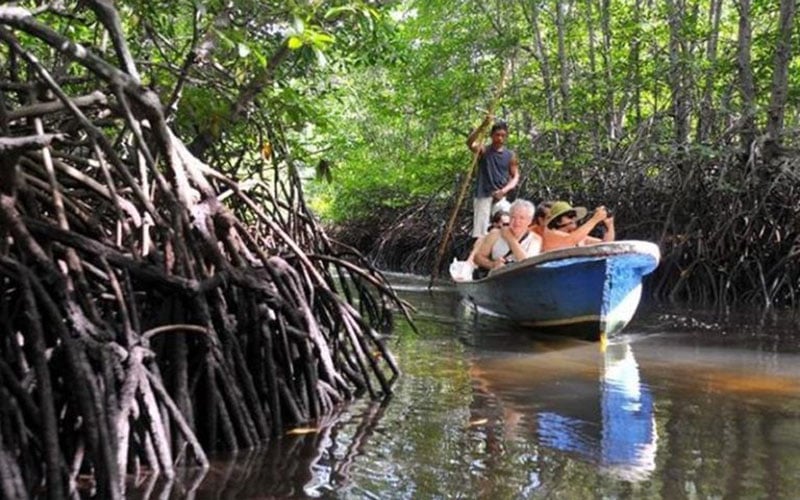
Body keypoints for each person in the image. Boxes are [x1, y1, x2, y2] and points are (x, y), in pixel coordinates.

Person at [466, 119, 520, 238]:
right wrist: (482, 126)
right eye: (497, 135)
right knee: (481, 233)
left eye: (503, 135)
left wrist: (504, 191)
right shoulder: (484, 150)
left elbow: (515, 176)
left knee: (508, 223)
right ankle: (479, 254)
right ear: (491, 135)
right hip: (483, 196)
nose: (500, 138)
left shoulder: (510, 155)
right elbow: (470, 143)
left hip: (500, 197)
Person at [473, 200, 541, 273]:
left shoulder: (535, 239)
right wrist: (493, 264)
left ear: (529, 221)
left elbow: (528, 264)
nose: (516, 222)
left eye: (522, 218)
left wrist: (510, 239)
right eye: (513, 217)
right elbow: (477, 258)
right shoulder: (495, 234)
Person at [541, 200, 615, 252]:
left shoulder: (578, 237)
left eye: (574, 215)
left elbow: (605, 244)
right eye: (570, 216)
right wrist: (594, 219)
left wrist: (609, 224)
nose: (574, 218)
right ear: (558, 222)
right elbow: (570, 240)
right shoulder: (551, 235)